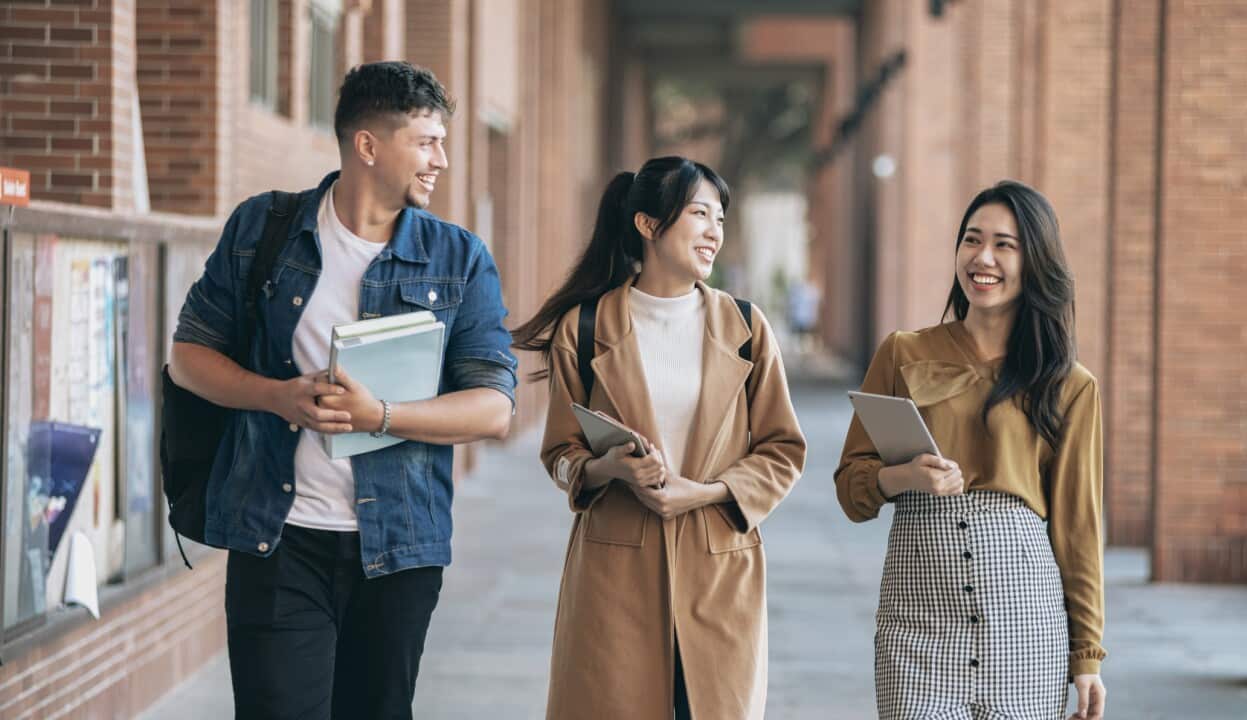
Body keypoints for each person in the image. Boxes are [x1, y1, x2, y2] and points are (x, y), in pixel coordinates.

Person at [169, 61, 517, 719]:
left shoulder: (459, 257)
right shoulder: (264, 229)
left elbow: (496, 407)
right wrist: (277, 396)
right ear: (368, 145)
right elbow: (188, 358)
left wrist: (377, 414)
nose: (441, 159)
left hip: (400, 552)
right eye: (426, 141)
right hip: (278, 540)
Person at [512, 156, 806, 719]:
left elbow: (783, 449)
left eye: (720, 217)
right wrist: (610, 468)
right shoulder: (586, 327)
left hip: (718, 569)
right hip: (615, 573)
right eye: (699, 214)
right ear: (648, 225)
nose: (714, 231)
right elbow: (560, 455)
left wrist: (707, 492)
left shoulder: (745, 326)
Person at [834, 180, 1107, 720]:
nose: (983, 258)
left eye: (1005, 244)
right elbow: (850, 488)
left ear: (1035, 261)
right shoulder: (903, 353)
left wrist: (1087, 656)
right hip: (918, 625)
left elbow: (1079, 528)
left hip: (1026, 625)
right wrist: (904, 477)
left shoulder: (1070, 385)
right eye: (971, 240)